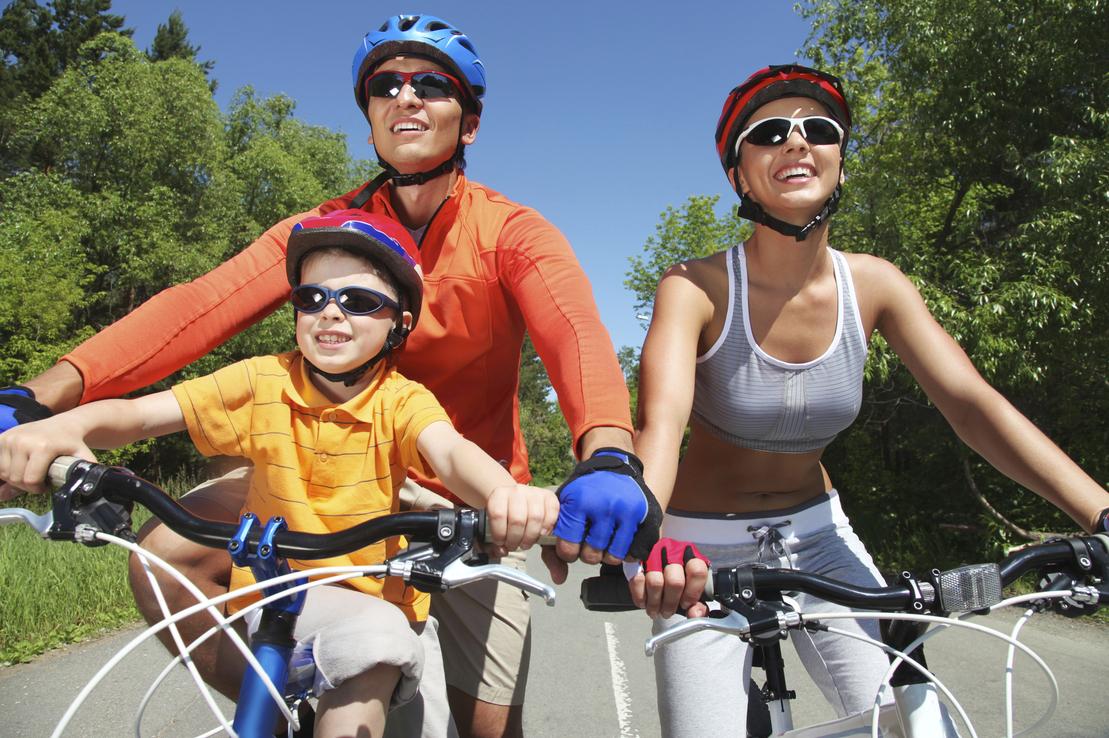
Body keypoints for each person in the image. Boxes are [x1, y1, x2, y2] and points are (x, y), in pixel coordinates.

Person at [0, 14, 658, 738]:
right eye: (385, 86)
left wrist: (607, 454)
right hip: (325, 474)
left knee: (490, 729)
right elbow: (197, 308)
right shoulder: (331, 232)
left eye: (431, 84)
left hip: (466, 491)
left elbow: (574, 333)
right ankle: (282, 709)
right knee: (164, 555)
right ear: (370, 117)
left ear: (468, 123)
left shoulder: (511, 233)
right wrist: (37, 398)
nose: (405, 97)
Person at [628, 64, 1109, 736]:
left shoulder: (876, 284)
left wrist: (1099, 511)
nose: (797, 141)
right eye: (769, 132)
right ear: (740, 177)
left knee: (910, 720)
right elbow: (660, 424)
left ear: (840, 164)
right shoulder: (695, 286)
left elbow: (971, 404)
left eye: (819, 130)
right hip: (696, 552)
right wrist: (645, 542)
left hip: (819, 537)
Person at [0, 211, 561, 738]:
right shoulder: (261, 381)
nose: (331, 312)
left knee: (382, 659)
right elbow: (142, 415)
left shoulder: (401, 400)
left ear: (400, 323)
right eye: (311, 297)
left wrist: (505, 495)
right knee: (308, 674)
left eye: (359, 300)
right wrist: (64, 426)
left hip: (375, 598)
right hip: (275, 593)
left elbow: (451, 454)